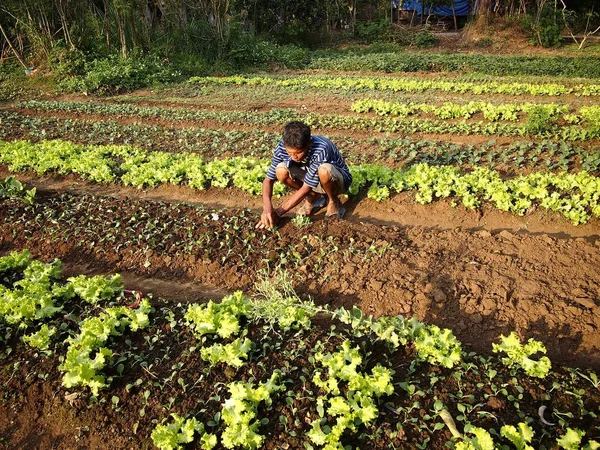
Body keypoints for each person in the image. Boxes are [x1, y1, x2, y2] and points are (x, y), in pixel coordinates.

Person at [256, 121, 352, 229]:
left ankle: (333, 201)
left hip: (338, 180)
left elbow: (306, 187)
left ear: (309, 143)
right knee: (280, 170)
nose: (294, 157)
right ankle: (312, 197)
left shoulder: (321, 147)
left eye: (299, 152)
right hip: (311, 178)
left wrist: (278, 212)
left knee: (324, 170)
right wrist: (267, 208)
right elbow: (268, 179)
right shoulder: (282, 146)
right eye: (289, 153)